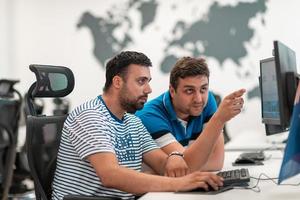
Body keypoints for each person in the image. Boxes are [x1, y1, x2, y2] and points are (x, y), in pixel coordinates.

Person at [52, 51, 224, 200]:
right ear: (118, 82)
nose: (149, 89)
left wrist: (174, 157)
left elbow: (164, 165)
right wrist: (179, 183)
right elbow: (110, 175)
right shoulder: (90, 115)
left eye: (148, 81)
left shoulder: (132, 122)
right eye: (141, 81)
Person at [136, 57, 245, 175]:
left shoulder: (207, 101)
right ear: (172, 91)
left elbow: (217, 162)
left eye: (203, 89)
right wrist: (218, 120)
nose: (198, 99)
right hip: (151, 192)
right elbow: (187, 166)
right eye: (189, 91)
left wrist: (191, 163)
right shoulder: (149, 115)